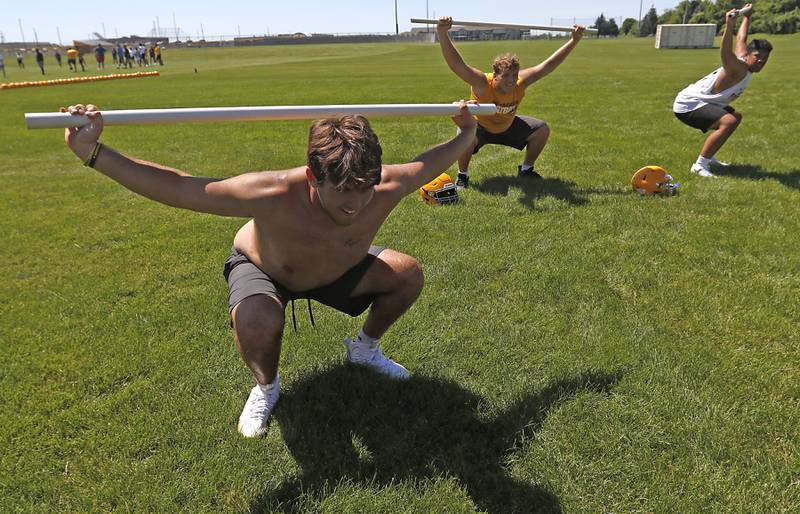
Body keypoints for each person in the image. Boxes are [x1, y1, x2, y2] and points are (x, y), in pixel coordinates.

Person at [60, 101, 478, 438]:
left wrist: (466, 132)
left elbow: (430, 161)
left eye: (365, 189)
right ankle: (267, 387)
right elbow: (179, 187)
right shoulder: (271, 192)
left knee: (406, 273)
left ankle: (365, 349)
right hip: (268, 269)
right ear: (314, 176)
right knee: (258, 320)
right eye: (343, 193)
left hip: (337, 270)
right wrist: (93, 153)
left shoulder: (383, 185)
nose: (356, 205)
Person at [435, 17, 585, 188]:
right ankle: (463, 175)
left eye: (514, 75)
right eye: (506, 76)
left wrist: (574, 41)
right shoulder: (482, 82)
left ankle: (526, 170)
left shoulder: (520, 82)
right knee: (464, 130)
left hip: (508, 126)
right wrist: (442, 33)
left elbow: (548, 65)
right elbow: (457, 64)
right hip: (481, 128)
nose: (511, 80)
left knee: (541, 129)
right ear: (495, 75)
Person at [673, 3, 771, 178]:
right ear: (748, 56)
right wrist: (729, 25)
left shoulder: (745, 57)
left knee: (736, 117)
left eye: (765, 59)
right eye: (757, 57)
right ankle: (700, 165)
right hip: (688, 104)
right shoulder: (737, 67)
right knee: (729, 121)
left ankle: (710, 157)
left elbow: (741, 38)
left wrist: (746, 17)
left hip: (705, 102)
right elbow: (726, 51)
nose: (761, 62)